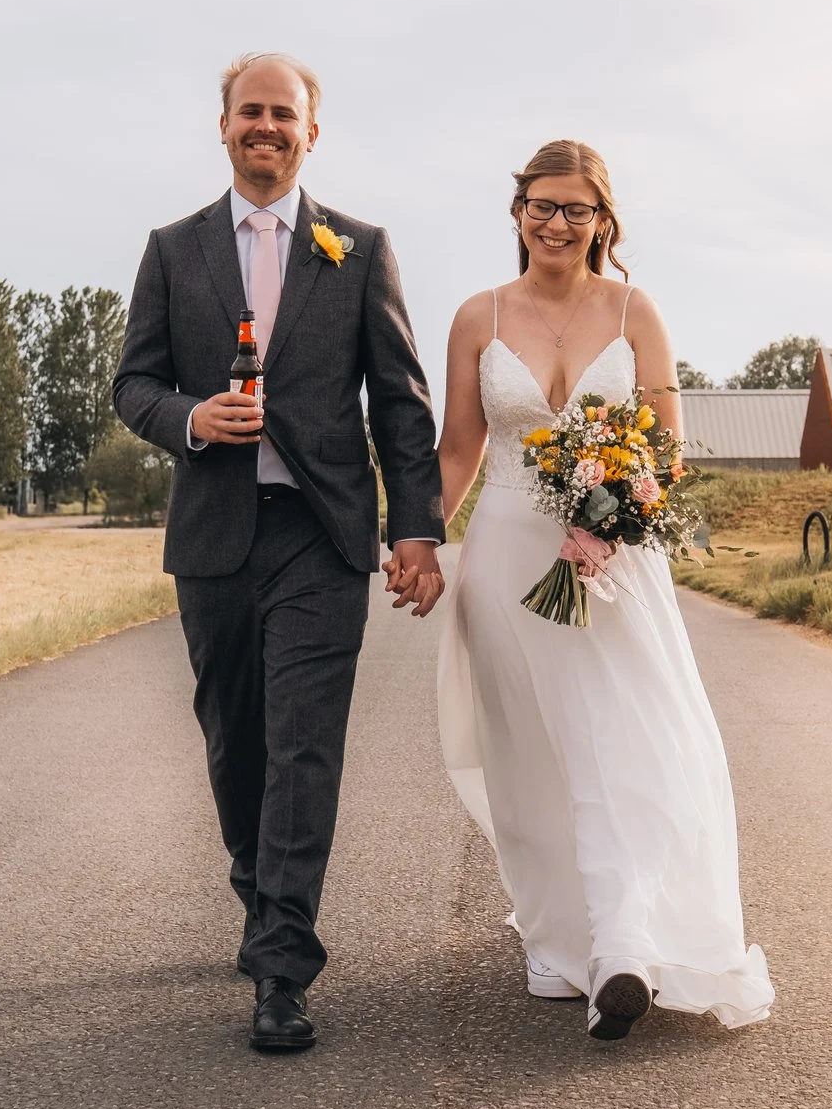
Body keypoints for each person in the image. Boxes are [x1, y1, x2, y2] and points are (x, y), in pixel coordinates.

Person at [114, 53, 447, 1054]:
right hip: (215, 533)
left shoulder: (358, 248)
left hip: (320, 533)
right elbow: (133, 384)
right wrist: (190, 416)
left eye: (284, 114)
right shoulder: (174, 250)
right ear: (222, 126)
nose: (266, 127)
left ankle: (282, 963)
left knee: (304, 741)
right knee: (236, 736)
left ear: (311, 132)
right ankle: (262, 893)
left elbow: (399, 401)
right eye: (249, 112)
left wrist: (415, 527)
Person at [433, 140, 774, 1040]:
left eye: (577, 210)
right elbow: (460, 448)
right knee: (533, 752)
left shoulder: (635, 311)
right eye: (542, 206)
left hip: (615, 560)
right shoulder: (479, 316)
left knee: (625, 738)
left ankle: (626, 945)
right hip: (505, 555)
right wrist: (419, 542)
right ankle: (560, 938)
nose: (557, 222)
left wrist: (616, 512)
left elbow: (667, 445)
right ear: (517, 213)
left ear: (602, 222)